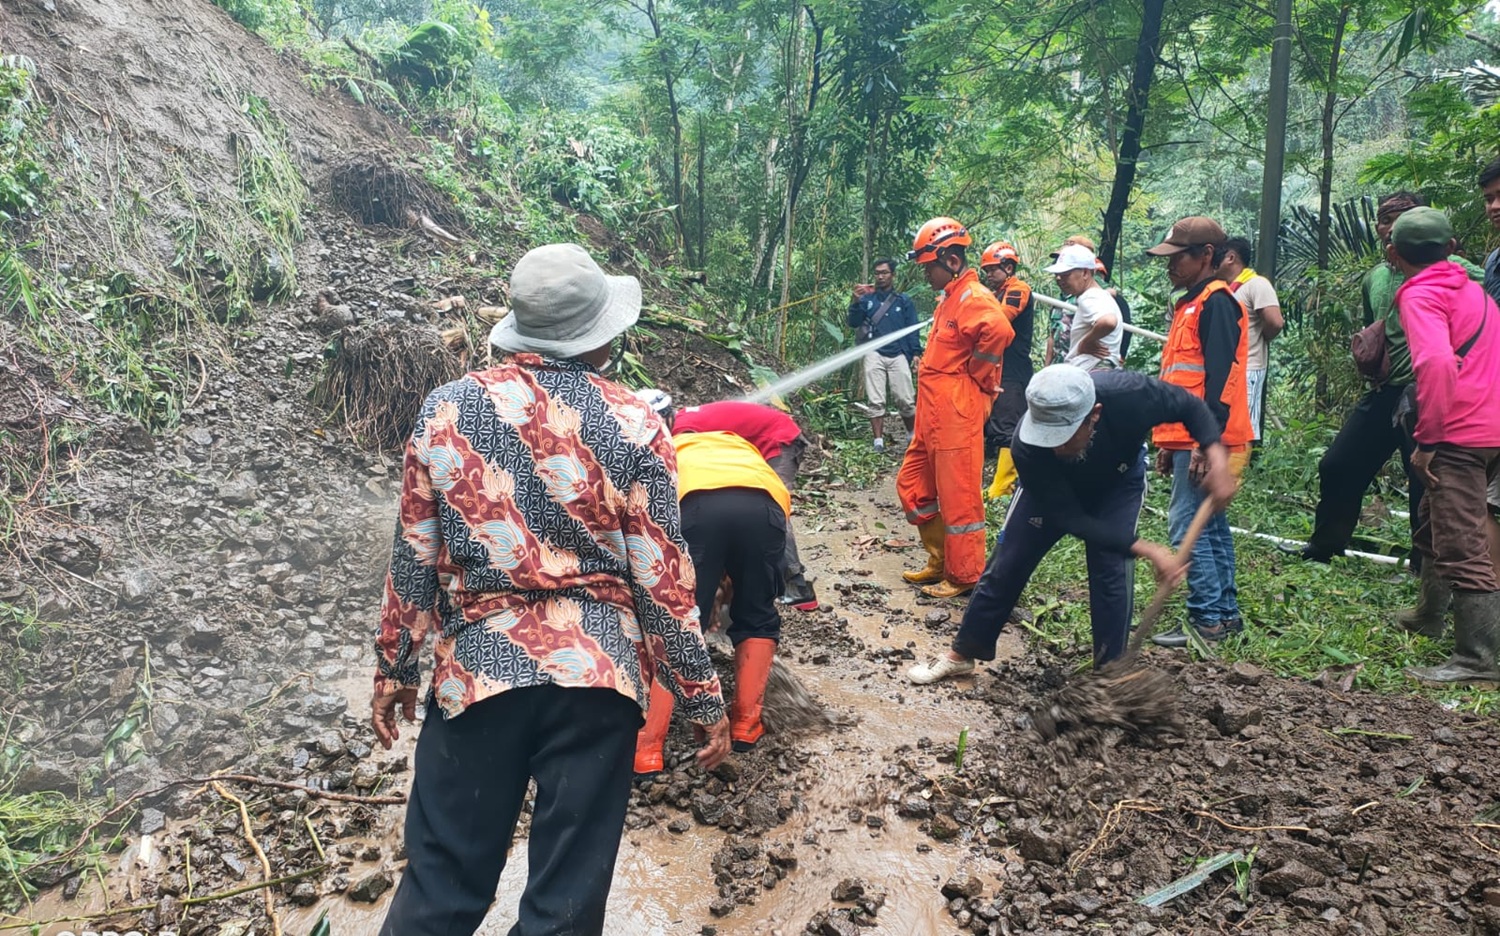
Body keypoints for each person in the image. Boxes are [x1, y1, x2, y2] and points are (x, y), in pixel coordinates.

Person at [372, 244, 730, 936]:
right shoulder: (635, 422)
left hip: (479, 675)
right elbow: (662, 580)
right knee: (564, 910)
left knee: (441, 888)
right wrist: (702, 696)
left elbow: (413, 552)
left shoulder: (445, 410)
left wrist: (393, 666)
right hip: (596, 686)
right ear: (600, 336)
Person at [907, 366, 1238, 683]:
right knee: (1009, 561)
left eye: (1063, 436)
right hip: (1054, 491)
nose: (1055, 445)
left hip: (1117, 483)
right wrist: (1149, 549)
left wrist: (1218, 460)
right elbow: (1070, 518)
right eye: (1047, 435)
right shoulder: (1028, 446)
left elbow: (1191, 407)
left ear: (1094, 415)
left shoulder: (1132, 395)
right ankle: (962, 654)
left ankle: (1109, 678)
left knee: (1110, 570)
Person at [1294, 193, 1485, 568]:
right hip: (1385, 392)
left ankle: (1423, 565)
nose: (1389, 227)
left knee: (1423, 481)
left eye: (1399, 219)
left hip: (1428, 390)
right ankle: (1325, 546)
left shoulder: (1459, 269)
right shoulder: (1376, 277)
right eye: (1384, 219)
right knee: (1338, 464)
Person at [634, 423, 793, 771]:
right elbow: (753, 559)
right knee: (758, 614)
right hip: (764, 507)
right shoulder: (745, 452)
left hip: (695, 507)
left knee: (673, 620)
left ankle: (646, 748)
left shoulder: (669, 446)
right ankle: (746, 725)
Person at [1386, 207, 1500, 689]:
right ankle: (1428, 614)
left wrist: (1427, 440)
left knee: (1462, 543)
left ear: (1392, 253)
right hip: (1491, 424)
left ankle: (1479, 659)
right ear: (1452, 249)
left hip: (1459, 432)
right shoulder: (1472, 291)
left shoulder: (1421, 295)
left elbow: (1434, 364)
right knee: (1437, 520)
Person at [1143, 216, 1253, 647]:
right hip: (1190, 437)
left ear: (1206, 255)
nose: (1170, 265)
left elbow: (1220, 375)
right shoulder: (1188, 303)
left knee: (1185, 524)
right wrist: (1169, 441)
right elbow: (1179, 379)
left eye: (1178, 257)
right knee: (1211, 527)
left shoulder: (1216, 302)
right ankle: (1224, 616)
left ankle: (1205, 618)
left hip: (1210, 437)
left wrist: (1209, 444)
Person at [897, 216, 1015, 599]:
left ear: (949, 260)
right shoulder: (950, 297)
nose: (925, 275)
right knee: (913, 486)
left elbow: (999, 330)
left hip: (956, 409)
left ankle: (965, 574)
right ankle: (941, 560)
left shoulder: (974, 296)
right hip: (933, 410)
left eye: (928, 267)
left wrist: (979, 374)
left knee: (959, 496)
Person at [645, 394, 819, 610]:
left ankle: (796, 584)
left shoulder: (682, 431)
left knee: (773, 510)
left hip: (776, 440)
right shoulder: (684, 422)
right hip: (763, 441)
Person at [847, 257, 921, 452]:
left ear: (893, 275)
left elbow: (912, 328)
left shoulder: (903, 301)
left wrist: (915, 353)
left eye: (884, 273)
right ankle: (878, 441)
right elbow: (853, 322)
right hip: (874, 353)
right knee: (875, 399)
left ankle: (911, 435)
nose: (880, 276)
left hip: (898, 354)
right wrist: (855, 302)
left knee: (905, 398)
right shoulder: (867, 300)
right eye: (877, 273)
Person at [979, 241, 1035, 498]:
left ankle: (1003, 487)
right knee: (990, 423)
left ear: (1009, 267)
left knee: (1006, 425)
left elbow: (1001, 319)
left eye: (993, 269)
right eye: (986, 271)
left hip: (1013, 368)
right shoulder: (995, 292)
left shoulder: (1017, 289)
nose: (989, 275)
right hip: (996, 365)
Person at [1216, 236, 1283, 443]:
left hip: (1249, 367)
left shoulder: (1257, 284)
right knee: (1226, 426)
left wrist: (1259, 339)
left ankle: (1241, 474)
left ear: (1231, 257)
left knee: (1243, 429)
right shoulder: (1226, 289)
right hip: (1228, 369)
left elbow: (1275, 322)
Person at [1046, 243, 1123, 371]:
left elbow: (1109, 321)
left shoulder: (1089, 297)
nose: (1059, 279)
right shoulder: (1102, 297)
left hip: (1091, 369)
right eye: (1057, 274)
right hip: (1102, 368)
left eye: (1066, 274)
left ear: (1085, 273)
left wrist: (1086, 342)